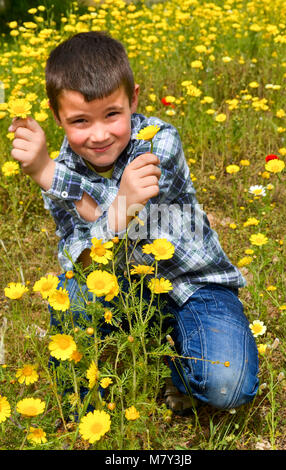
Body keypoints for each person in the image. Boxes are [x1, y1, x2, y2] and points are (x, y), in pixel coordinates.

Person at [9, 31, 259, 415]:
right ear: (56, 115)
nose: (99, 134)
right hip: (123, 291)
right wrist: (56, 175)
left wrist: (48, 173)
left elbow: (140, 223)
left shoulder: (158, 141)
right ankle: (90, 395)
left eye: (112, 114)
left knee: (227, 386)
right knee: (71, 296)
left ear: (134, 100)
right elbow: (81, 258)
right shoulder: (60, 171)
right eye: (79, 120)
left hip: (194, 283)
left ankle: (179, 362)